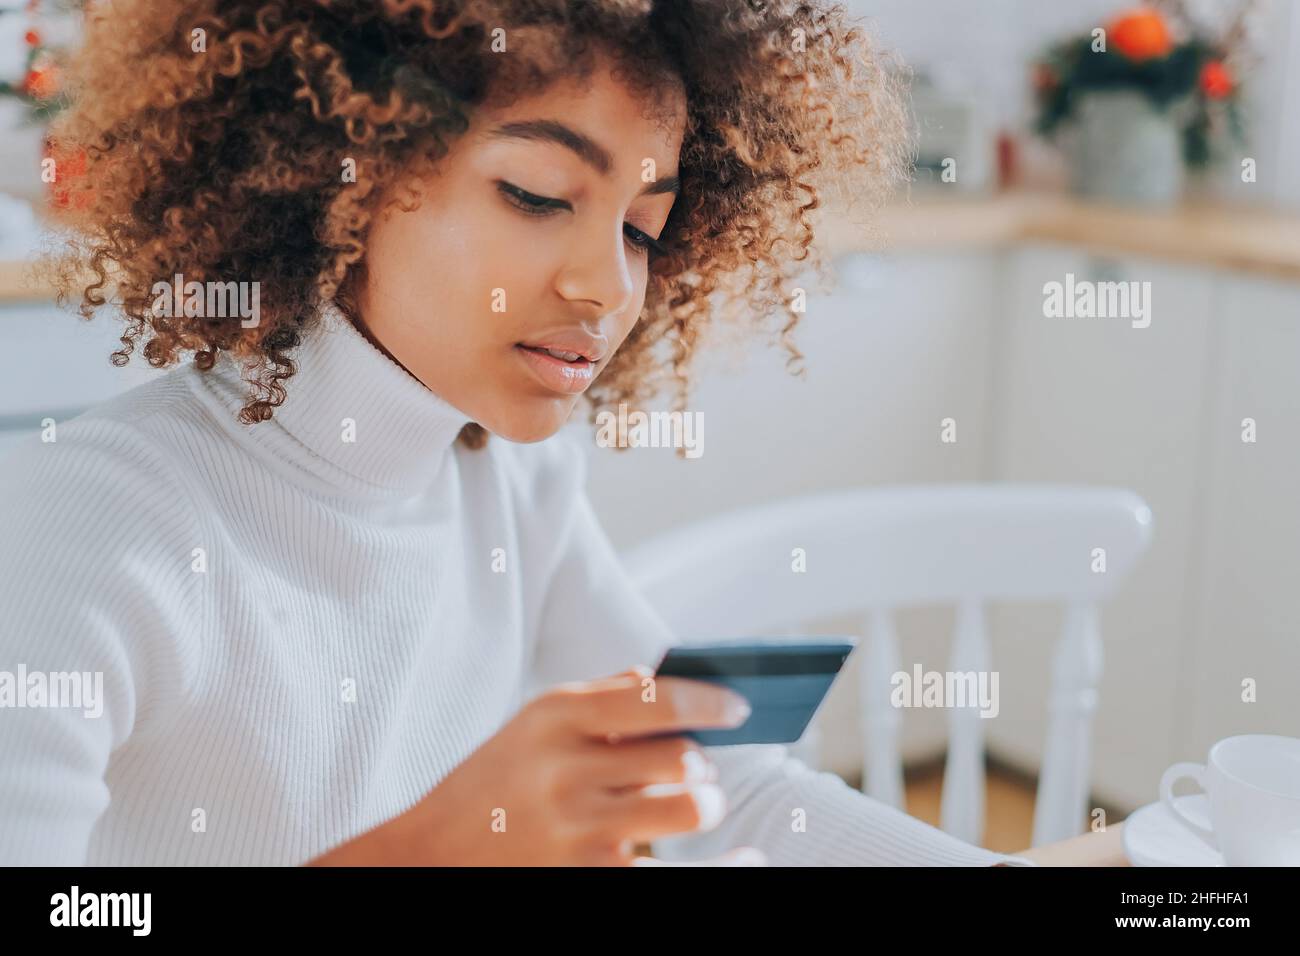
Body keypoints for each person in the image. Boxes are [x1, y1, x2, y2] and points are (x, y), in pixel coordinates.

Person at [0, 0, 1030, 866]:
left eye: (641, 225)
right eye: (537, 194)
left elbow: (730, 783)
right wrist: (430, 848)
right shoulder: (81, 526)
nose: (606, 286)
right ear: (338, 175)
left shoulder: (511, 479)